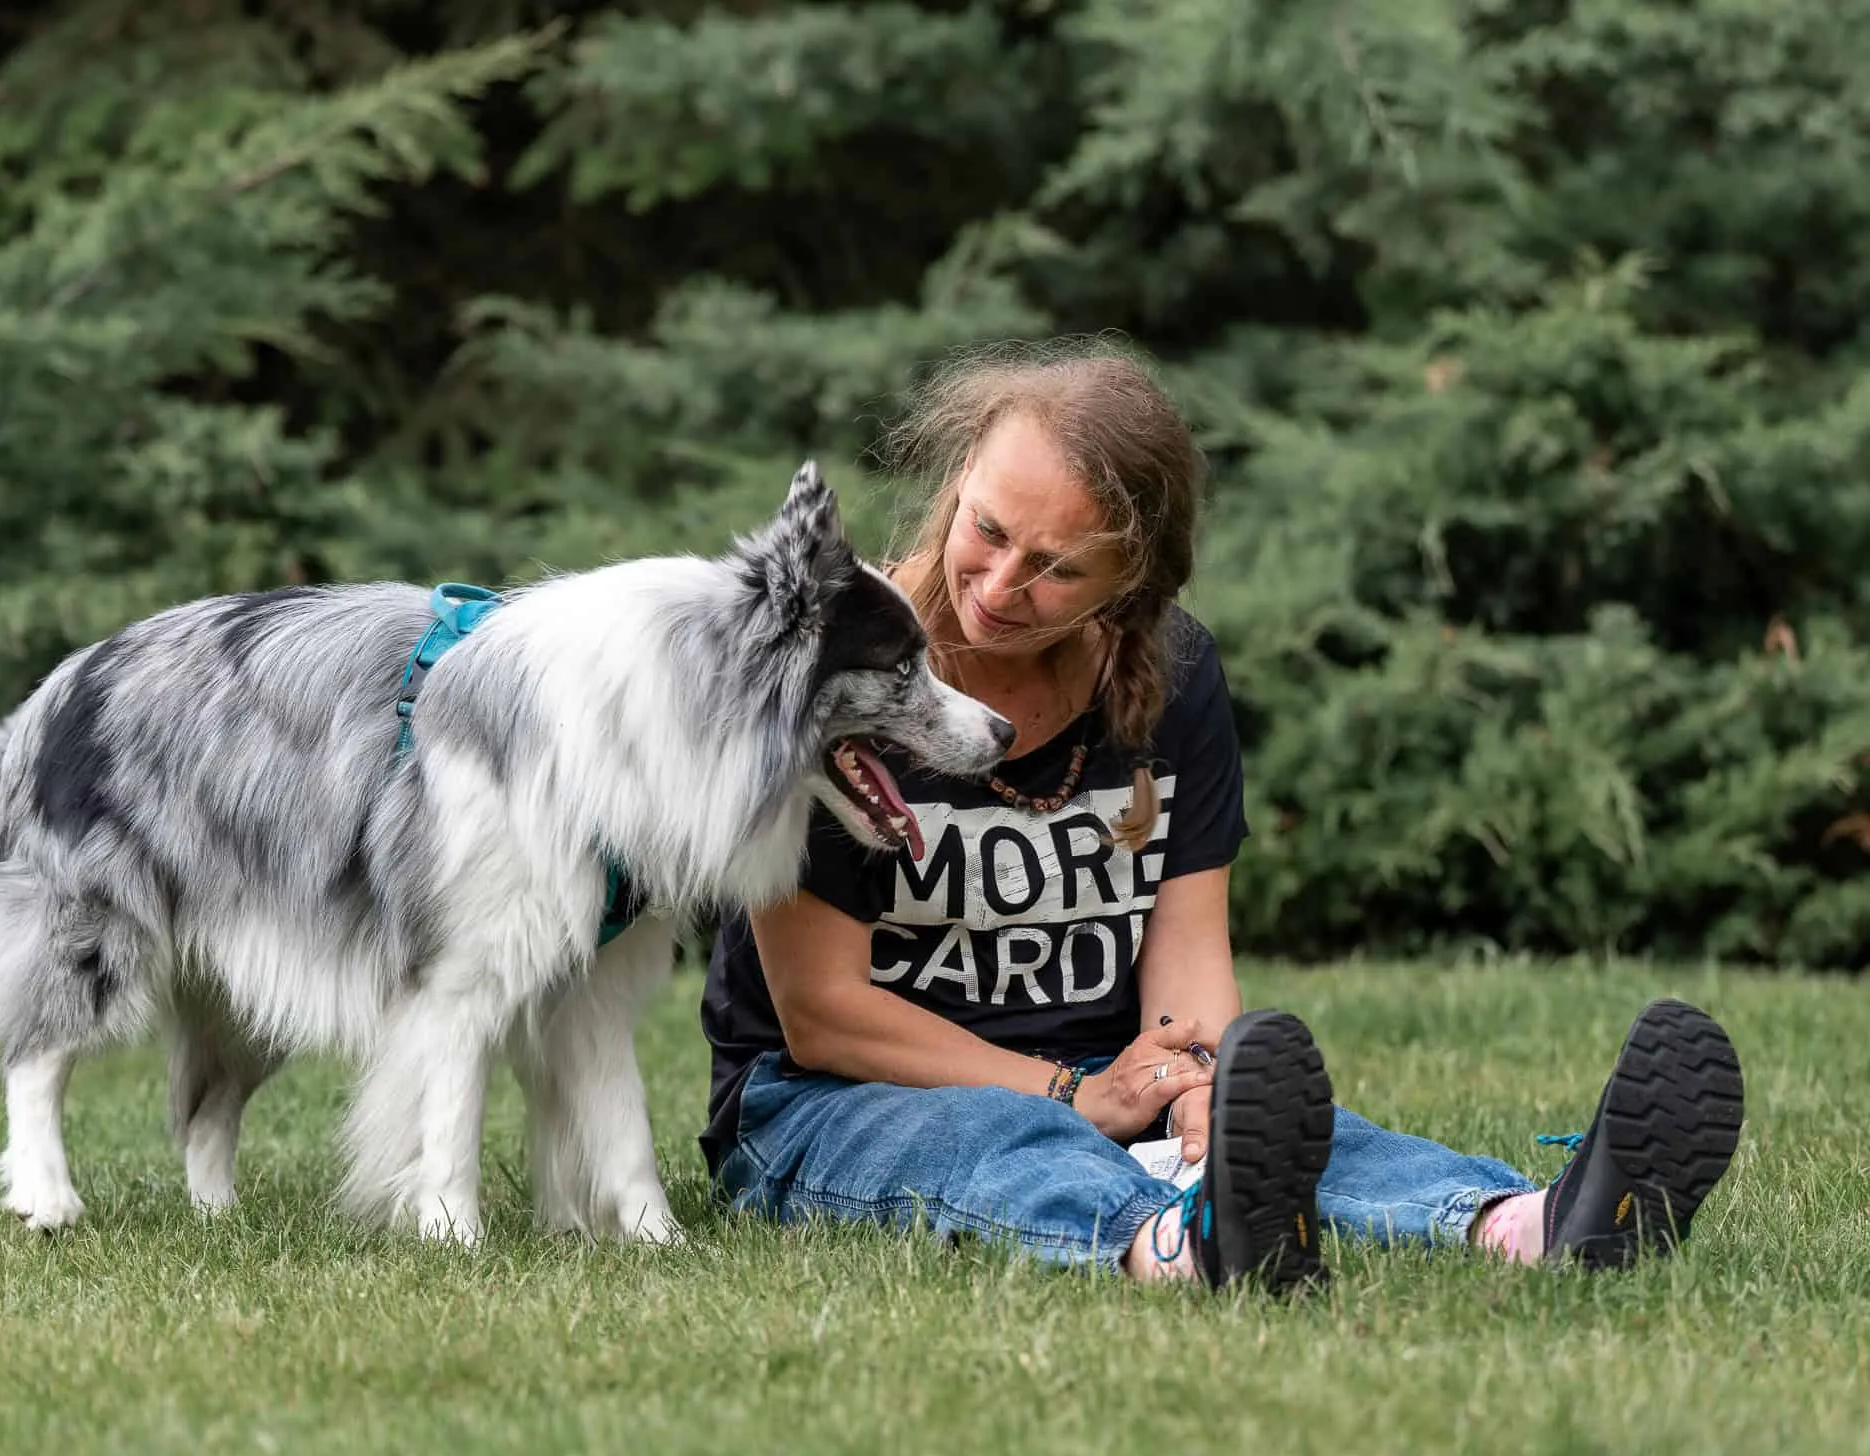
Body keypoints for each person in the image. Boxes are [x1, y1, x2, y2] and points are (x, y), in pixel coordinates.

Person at [697, 340, 1746, 1292]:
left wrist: (1195, 1081)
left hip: (1111, 1081)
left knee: (1285, 1138)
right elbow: (820, 1011)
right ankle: (1180, 1243)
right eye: (988, 529)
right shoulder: (835, 675)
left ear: (1129, 580)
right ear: (957, 476)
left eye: (1057, 568)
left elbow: (1187, 950)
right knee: (999, 1143)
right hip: (827, 1100)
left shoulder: (1173, 675)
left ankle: (1533, 1221)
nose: (1000, 585)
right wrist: (1066, 1092)